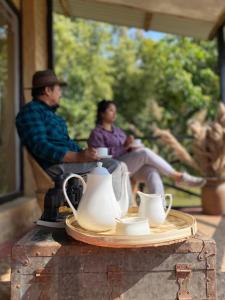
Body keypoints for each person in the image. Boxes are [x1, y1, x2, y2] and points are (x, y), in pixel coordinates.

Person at [16, 70, 130, 214]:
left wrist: (86, 153)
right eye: (58, 89)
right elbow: (40, 146)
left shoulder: (50, 115)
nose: (60, 94)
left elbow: (67, 142)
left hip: (67, 163)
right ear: (47, 90)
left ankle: (119, 211)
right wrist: (77, 157)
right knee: (114, 166)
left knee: (121, 165)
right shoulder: (30, 112)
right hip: (55, 166)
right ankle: (117, 215)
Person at [88, 100, 206, 201]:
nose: (115, 113)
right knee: (144, 153)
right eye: (111, 110)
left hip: (128, 167)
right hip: (112, 168)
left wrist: (133, 147)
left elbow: (127, 148)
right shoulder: (96, 133)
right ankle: (177, 176)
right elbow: (100, 156)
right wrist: (124, 147)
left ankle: (160, 209)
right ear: (102, 113)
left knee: (152, 171)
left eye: (115, 110)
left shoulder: (118, 131)